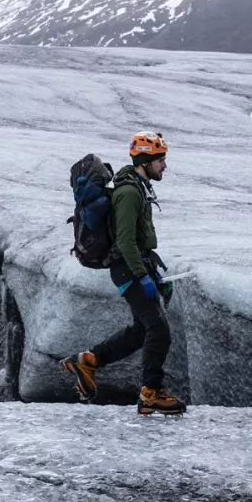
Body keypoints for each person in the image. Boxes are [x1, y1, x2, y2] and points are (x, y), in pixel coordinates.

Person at [62, 131, 186, 415]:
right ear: (145, 161)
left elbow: (135, 243)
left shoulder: (136, 187)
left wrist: (154, 276)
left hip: (134, 266)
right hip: (128, 269)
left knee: (142, 330)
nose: (164, 166)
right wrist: (142, 277)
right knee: (158, 330)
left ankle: (89, 361)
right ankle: (151, 393)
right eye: (160, 160)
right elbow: (126, 242)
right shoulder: (129, 193)